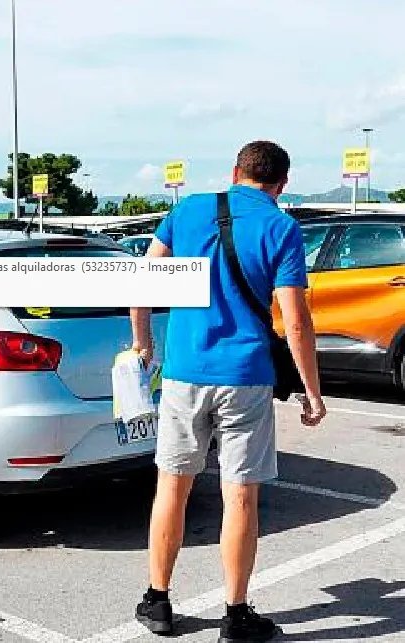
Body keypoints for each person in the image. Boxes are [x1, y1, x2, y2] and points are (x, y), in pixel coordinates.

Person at [130, 141, 327, 642]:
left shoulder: (189, 209)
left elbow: (143, 284)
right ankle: (236, 617)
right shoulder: (281, 227)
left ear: (235, 172)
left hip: (183, 374)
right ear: (281, 184)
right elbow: (297, 321)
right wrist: (312, 392)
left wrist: (143, 345)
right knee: (240, 498)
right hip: (246, 378)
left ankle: (158, 601)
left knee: (172, 487)